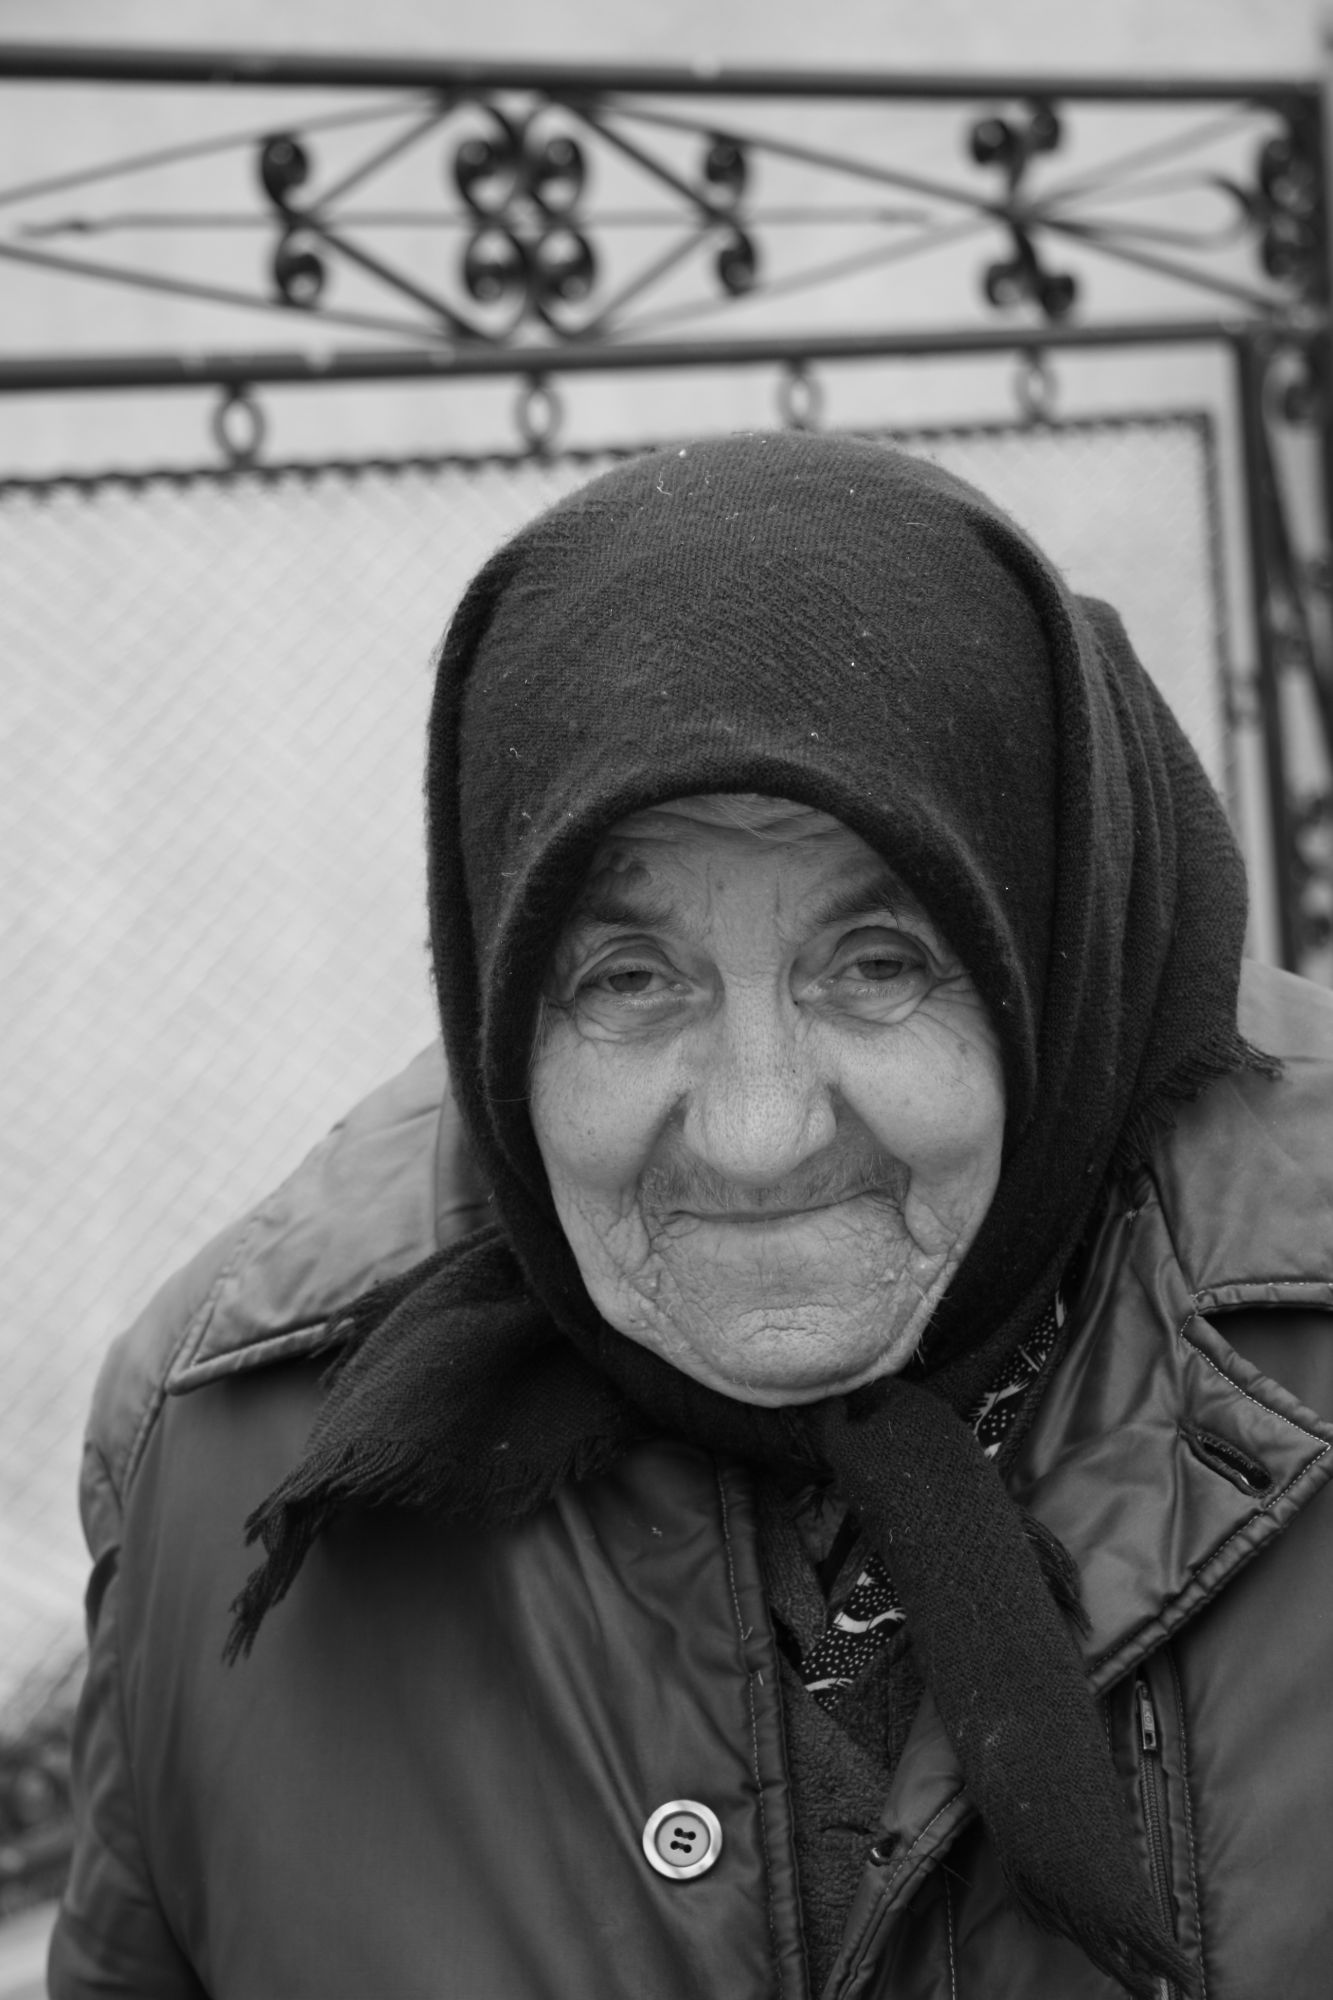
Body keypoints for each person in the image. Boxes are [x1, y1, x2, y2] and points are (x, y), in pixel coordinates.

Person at [50, 433, 1333, 2000]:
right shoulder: (226, 1454)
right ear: (498, 988)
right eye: (627, 979)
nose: (752, 1131)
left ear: (1061, 952)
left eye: (877, 962)